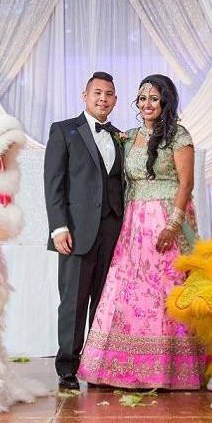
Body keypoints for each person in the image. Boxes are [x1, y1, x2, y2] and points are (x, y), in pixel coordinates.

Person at [76, 74, 207, 390]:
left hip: (166, 219)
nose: (147, 104)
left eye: (154, 99)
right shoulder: (129, 136)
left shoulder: (178, 135)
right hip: (133, 225)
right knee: (127, 291)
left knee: (168, 288)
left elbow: (186, 183)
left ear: (165, 103)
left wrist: (174, 224)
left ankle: (172, 370)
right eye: (142, 99)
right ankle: (118, 368)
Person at [44, 72, 125, 391]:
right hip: (75, 231)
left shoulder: (120, 136)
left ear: (115, 100)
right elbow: (54, 184)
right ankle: (67, 366)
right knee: (74, 301)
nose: (103, 99)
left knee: (105, 301)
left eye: (109, 94)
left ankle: (99, 364)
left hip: (112, 230)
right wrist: (58, 227)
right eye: (97, 93)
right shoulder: (64, 131)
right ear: (85, 95)